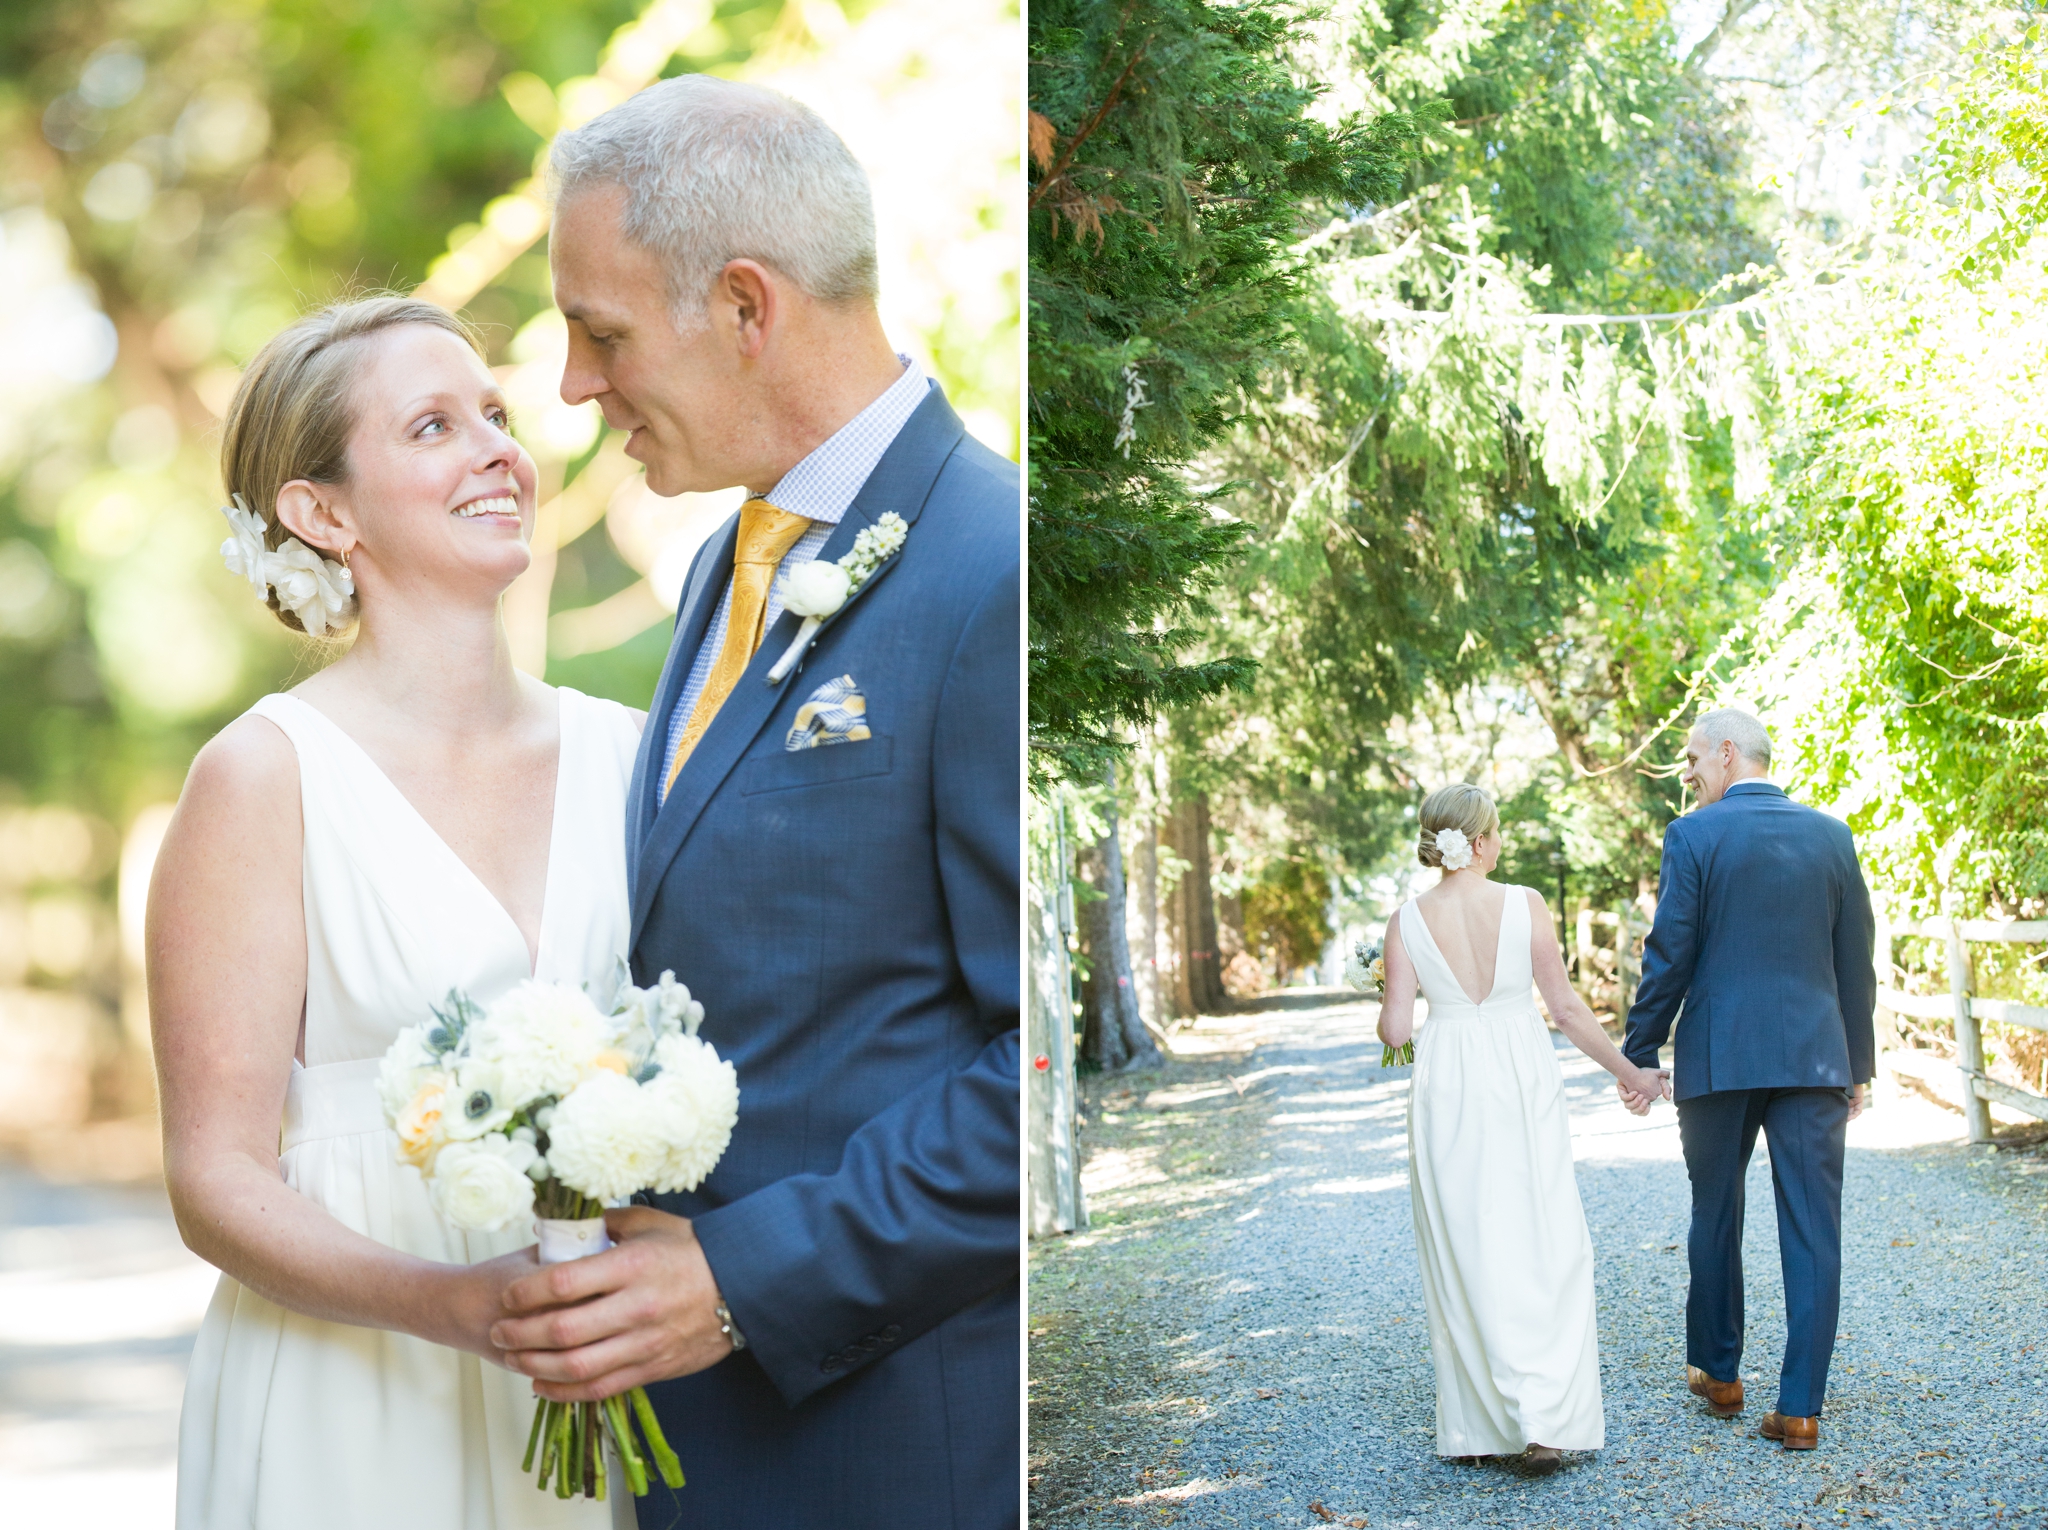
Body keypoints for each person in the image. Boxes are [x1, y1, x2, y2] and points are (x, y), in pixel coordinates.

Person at [486, 76, 1020, 1529]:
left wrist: (743, 1278)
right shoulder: (731, 564)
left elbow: (1036, 1078)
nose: (576, 391)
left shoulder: (994, 570)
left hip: (895, 1438)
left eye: (598, 333)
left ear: (743, 306)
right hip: (703, 1445)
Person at [152, 296, 642, 1528]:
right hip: (350, 1404)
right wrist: (454, 1305)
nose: (499, 452)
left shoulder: (635, 756)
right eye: (433, 426)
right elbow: (214, 1176)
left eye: (496, 416)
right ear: (323, 514)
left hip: (592, 1384)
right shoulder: (266, 777)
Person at [1378, 783, 1671, 1473]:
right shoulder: (1526, 904)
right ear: (1479, 842)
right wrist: (1631, 1076)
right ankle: (1546, 1417)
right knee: (1541, 1235)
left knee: (1465, 1239)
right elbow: (1565, 1010)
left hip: (1447, 1078)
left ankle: (1483, 1426)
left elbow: (1396, 1033)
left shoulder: (1405, 922)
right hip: (1517, 1072)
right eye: (1498, 831)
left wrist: (1392, 987)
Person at [1618, 708, 1875, 1452]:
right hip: (1812, 1059)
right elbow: (1854, 960)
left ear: (1728, 754)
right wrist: (1857, 1065)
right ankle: (1801, 1409)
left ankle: (1720, 1374)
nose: (1688, 772)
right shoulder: (1832, 835)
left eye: (1693, 758)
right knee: (1813, 1227)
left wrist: (1641, 1051)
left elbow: (1670, 955)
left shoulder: (1694, 836)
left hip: (1721, 1056)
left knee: (1715, 1210)